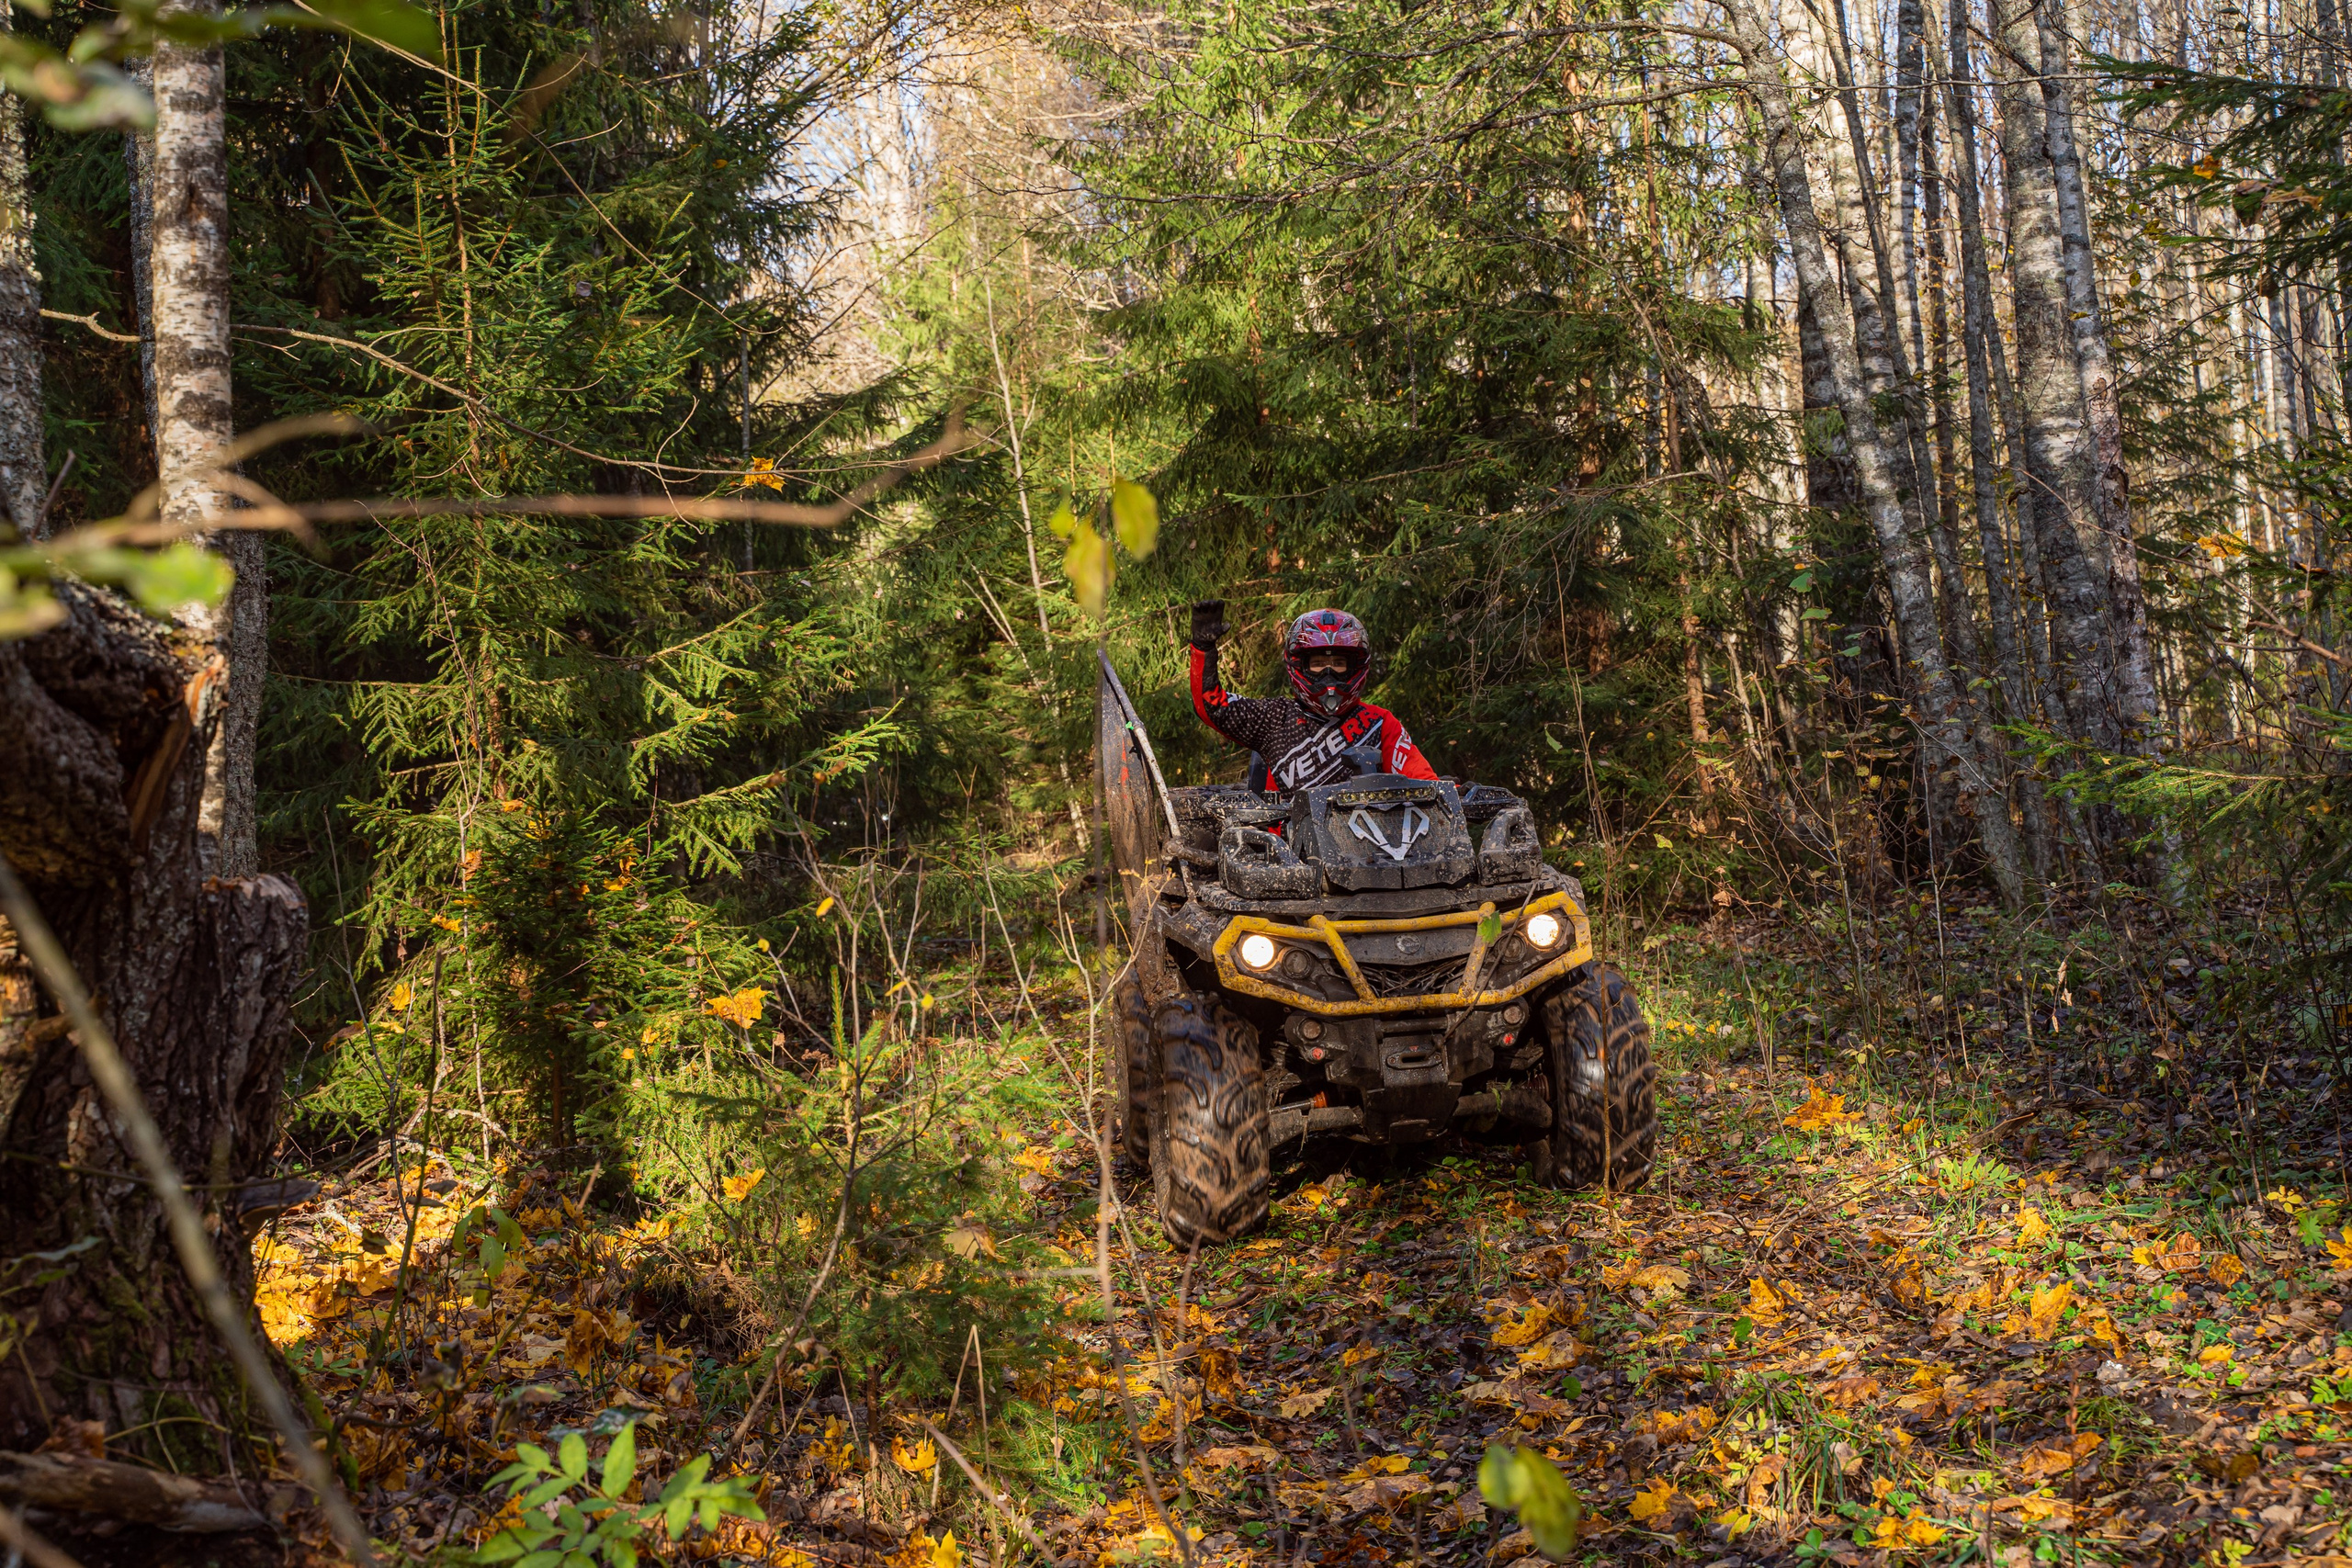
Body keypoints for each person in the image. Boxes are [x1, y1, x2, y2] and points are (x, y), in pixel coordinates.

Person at [1187, 600, 1439, 794]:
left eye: (1338, 663)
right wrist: (1203, 649)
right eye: (1318, 663)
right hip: (1289, 852)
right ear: (1300, 665)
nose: (1329, 673)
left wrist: (1458, 796)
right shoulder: (1273, 718)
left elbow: (1422, 780)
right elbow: (1213, 706)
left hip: (1371, 851)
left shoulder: (1379, 722)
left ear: (1355, 666)